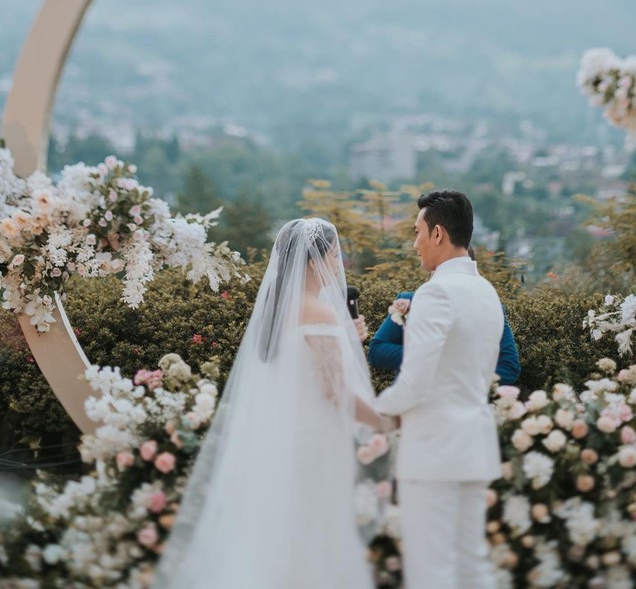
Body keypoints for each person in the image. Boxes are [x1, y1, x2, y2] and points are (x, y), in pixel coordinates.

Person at [155, 218, 392, 589]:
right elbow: (335, 391)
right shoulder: (320, 312)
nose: (338, 266)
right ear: (313, 262)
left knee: (282, 535)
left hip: (281, 437)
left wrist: (347, 338)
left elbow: (303, 371)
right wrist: (386, 422)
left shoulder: (275, 310)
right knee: (317, 536)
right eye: (333, 256)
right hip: (316, 441)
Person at [376, 191, 503, 589]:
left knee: (432, 571)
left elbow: (415, 382)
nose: (414, 243)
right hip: (474, 447)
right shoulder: (486, 291)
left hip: (434, 453)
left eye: (417, 232)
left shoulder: (435, 292)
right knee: (472, 567)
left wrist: (369, 409)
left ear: (437, 233)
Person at [368, 251, 520, 384]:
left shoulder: (491, 308)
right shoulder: (409, 302)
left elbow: (509, 367)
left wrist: (467, 382)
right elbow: (377, 350)